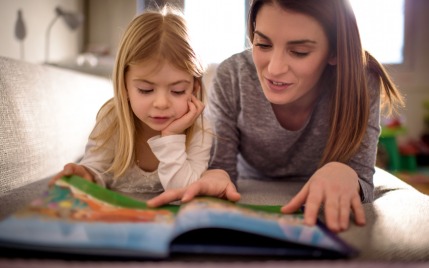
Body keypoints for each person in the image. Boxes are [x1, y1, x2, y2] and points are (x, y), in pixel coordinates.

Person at [147, 0, 404, 232]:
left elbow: (363, 180)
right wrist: (216, 176)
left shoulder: (362, 81)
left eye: (300, 51)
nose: (275, 68)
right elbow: (220, 169)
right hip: (251, 181)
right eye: (263, 44)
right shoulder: (232, 75)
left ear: (334, 51)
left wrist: (345, 173)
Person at [49, 6, 212, 194]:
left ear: (194, 88)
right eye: (145, 90)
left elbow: (185, 191)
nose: (161, 103)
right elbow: (95, 168)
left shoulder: (201, 129)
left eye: (177, 91)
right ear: (124, 86)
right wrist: (87, 174)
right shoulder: (112, 119)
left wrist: (172, 137)